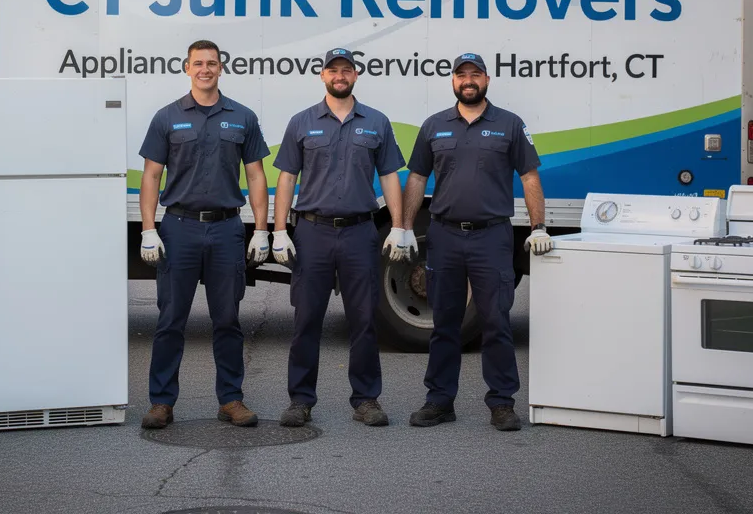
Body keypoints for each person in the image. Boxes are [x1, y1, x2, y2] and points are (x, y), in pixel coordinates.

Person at [396, 53, 552, 431]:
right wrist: (403, 227)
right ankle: (439, 401)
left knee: (496, 321)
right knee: (444, 322)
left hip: (491, 237)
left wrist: (538, 226)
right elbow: (416, 178)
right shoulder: (434, 126)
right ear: (453, 81)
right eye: (462, 75)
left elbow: (529, 176)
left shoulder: (509, 124)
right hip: (444, 236)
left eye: (475, 74)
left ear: (486, 80)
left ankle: (501, 402)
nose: (468, 80)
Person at [137, 40, 271, 430]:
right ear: (187, 68)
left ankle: (230, 399)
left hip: (227, 229)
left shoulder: (242, 117)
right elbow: (151, 176)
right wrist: (148, 229)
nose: (205, 69)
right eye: (198, 63)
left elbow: (256, 176)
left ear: (221, 68)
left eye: (212, 63)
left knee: (227, 319)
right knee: (170, 320)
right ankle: (161, 402)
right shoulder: (166, 117)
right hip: (178, 229)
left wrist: (261, 230)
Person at [270, 48, 407, 428]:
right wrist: (279, 230)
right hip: (312, 232)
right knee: (306, 319)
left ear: (356, 75)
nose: (340, 75)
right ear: (323, 75)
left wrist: (399, 226)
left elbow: (389, 176)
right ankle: (300, 400)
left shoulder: (376, 122)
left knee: (364, 319)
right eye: (333, 70)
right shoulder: (301, 122)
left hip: (360, 232)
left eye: (346, 70)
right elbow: (286, 178)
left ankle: (366, 399)